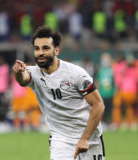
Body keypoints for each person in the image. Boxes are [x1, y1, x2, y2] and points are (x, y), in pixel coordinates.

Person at [12, 26, 105, 160]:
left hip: (90, 137)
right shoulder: (34, 73)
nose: (40, 53)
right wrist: (18, 73)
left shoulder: (75, 73)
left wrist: (85, 138)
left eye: (45, 48)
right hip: (61, 140)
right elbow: (23, 79)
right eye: (37, 48)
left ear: (56, 50)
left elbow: (98, 105)